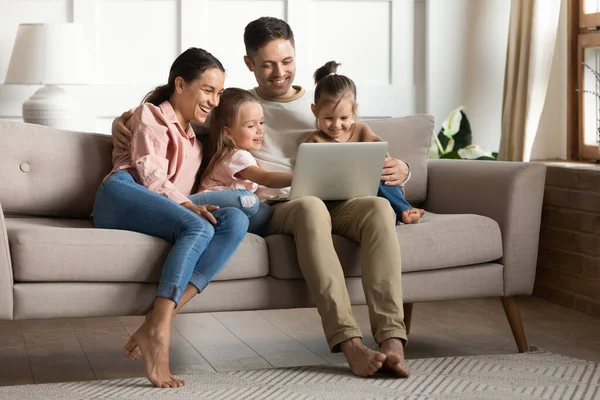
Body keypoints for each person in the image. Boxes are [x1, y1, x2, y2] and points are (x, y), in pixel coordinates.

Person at [112, 17, 411, 378]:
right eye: (267, 64)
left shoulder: (321, 104)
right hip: (283, 205)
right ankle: (349, 342)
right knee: (311, 206)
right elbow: (175, 116)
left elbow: (362, 139)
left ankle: (393, 339)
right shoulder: (234, 106)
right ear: (249, 64)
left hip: (342, 198)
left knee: (379, 208)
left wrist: (403, 169)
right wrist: (122, 121)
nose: (279, 72)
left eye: (286, 61)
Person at [94, 47, 249, 388]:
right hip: (121, 193)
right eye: (208, 89)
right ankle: (162, 334)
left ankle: (155, 320)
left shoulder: (197, 142)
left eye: (219, 93)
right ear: (180, 84)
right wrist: (188, 206)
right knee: (195, 223)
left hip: (164, 204)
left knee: (236, 220)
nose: (214, 100)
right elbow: (149, 175)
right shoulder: (149, 114)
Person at [305, 61, 425, 225]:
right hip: (339, 201)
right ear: (315, 111)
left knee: (381, 175)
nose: (336, 124)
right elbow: (310, 179)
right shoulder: (314, 141)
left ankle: (404, 211)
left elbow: (384, 159)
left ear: (354, 111)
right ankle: (397, 217)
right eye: (328, 118)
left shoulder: (362, 131)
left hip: (371, 190)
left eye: (344, 118)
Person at [194, 87, 293, 235]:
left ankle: (231, 227)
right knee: (250, 201)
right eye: (251, 126)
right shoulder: (237, 155)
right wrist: (298, 176)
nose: (260, 130)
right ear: (227, 132)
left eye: (262, 122)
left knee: (263, 211)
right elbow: (265, 178)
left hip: (221, 208)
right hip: (208, 202)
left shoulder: (232, 153)